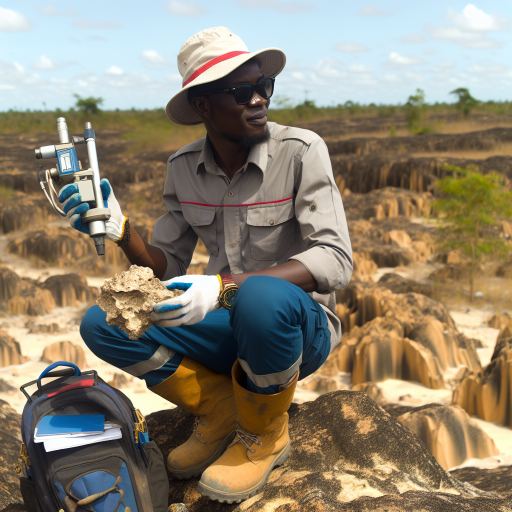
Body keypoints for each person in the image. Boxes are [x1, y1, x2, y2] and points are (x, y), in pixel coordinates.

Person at [61, 27, 352, 504]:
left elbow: (335, 258)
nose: (259, 99)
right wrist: (122, 228)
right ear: (202, 105)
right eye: (242, 91)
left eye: (264, 86)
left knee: (258, 295)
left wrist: (223, 287)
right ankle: (218, 408)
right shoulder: (183, 167)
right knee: (103, 322)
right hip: (225, 327)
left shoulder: (301, 152)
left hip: (294, 331)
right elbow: (164, 266)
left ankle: (263, 435)